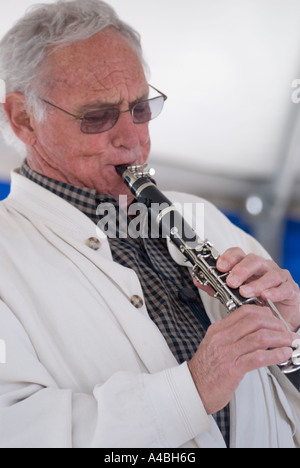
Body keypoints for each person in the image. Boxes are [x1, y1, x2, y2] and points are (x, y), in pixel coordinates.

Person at [0, 0, 299, 449]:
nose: (134, 138)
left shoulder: (206, 219)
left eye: (140, 108)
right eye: (97, 117)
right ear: (23, 118)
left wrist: (291, 334)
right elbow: (16, 429)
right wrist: (192, 389)